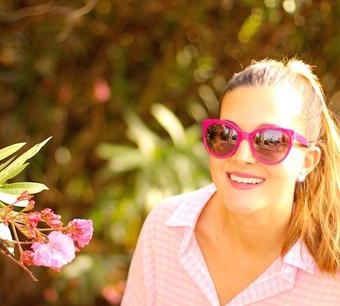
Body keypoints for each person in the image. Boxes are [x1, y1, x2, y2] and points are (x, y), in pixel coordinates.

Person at [121, 58, 340, 306]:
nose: (242, 156)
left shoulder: (332, 278)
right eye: (227, 135)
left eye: (270, 140)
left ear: (307, 161)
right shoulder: (164, 230)